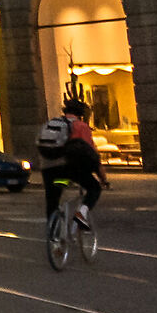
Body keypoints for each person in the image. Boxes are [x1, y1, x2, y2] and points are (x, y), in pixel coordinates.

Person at [37, 97, 106, 226]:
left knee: (52, 201)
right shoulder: (80, 126)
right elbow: (91, 153)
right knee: (94, 188)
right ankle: (81, 214)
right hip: (69, 169)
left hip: (48, 168)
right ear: (81, 113)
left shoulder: (52, 124)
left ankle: (54, 238)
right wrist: (103, 178)